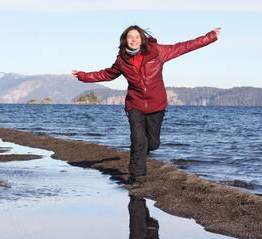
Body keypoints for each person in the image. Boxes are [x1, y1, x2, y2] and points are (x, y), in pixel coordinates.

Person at [73, 26, 221, 187]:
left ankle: (143, 153)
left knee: (153, 143)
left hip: (156, 104)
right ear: (125, 40)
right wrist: (83, 76)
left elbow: (184, 47)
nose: (134, 40)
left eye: (137, 37)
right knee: (138, 140)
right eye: (130, 37)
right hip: (135, 105)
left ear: (142, 39)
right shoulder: (122, 60)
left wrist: (210, 37)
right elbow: (106, 74)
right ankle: (137, 178)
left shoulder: (157, 51)